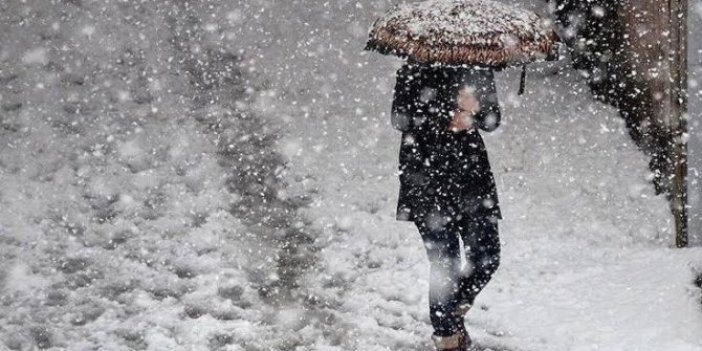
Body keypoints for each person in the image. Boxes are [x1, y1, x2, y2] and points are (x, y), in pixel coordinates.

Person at [391, 61, 502, 351]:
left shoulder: (477, 68)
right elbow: (400, 119)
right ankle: (447, 338)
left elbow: (493, 119)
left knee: (487, 256)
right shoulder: (414, 68)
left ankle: (451, 312)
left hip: (472, 180)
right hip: (426, 179)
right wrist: (449, 113)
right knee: (445, 265)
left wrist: (475, 113)